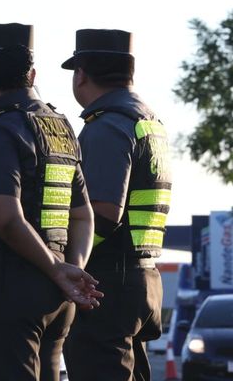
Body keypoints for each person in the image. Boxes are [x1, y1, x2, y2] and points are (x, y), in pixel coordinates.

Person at [0, 23, 103, 381]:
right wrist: (68, 269)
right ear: (32, 74)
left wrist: (58, 271)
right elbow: (83, 215)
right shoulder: (60, 127)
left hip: (4, 288)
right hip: (56, 294)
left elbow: (7, 218)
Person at [60, 29, 172, 381]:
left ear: (81, 75)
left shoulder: (107, 125)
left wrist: (62, 262)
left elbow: (104, 214)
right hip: (143, 278)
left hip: (106, 285)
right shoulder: (149, 123)